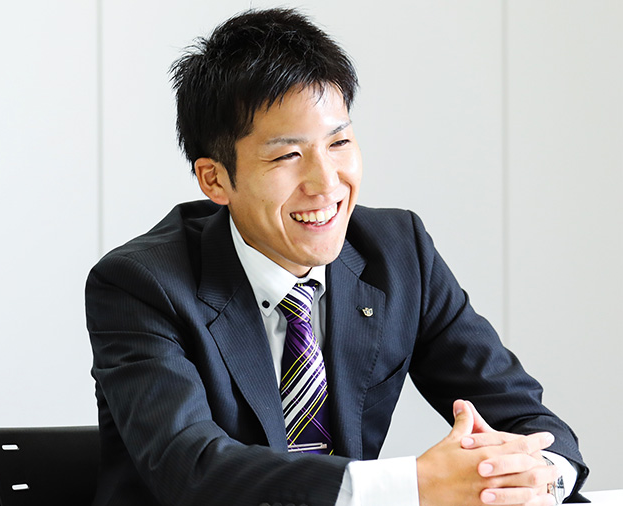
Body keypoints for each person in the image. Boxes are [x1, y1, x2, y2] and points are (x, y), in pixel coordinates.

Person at [85, 8, 588, 506]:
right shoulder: (141, 284)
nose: (326, 183)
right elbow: (191, 470)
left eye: (339, 141)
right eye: (287, 155)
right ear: (214, 179)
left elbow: (523, 418)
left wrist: (537, 476)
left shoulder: (398, 250)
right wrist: (413, 485)